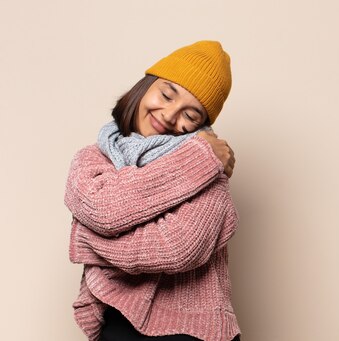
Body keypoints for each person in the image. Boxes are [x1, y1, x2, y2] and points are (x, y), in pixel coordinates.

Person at [65, 41, 241, 341]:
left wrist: (85, 238)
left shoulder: (209, 170)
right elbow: (104, 211)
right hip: (116, 325)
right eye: (166, 94)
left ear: (202, 125)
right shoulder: (93, 158)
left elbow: (176, 249)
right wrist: (198, 158)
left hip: (194, 331)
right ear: (144, 87)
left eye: (192, 114)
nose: (170, 115)